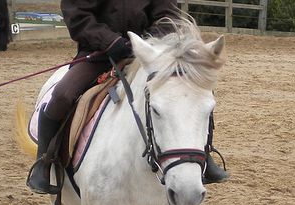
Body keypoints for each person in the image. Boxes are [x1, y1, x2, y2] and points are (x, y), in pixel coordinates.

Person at [27, 0, 228, 194]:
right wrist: (111, 42)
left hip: (151, 53)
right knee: (62, 95)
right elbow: (78, 16)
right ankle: (45, 160)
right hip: (100, 53)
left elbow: (168, 15)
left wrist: (145, 43)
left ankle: (204, 153)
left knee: (191, 91)